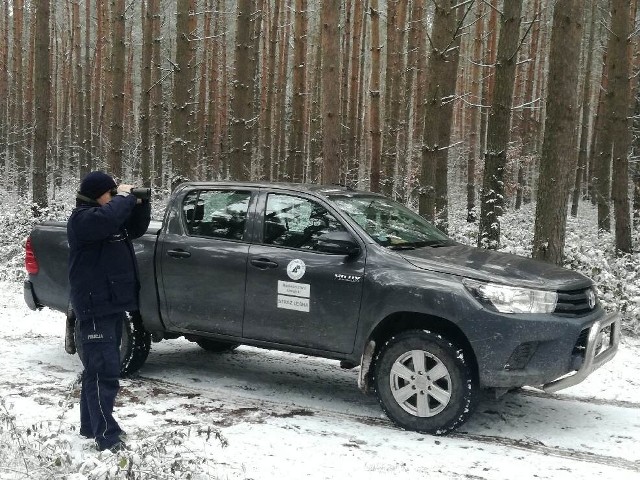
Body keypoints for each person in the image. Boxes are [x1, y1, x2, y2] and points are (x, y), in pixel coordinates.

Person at [67, 171, 151, 452]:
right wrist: (125, 197)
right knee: (105, 373)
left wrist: (140, 203)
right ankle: (107, 437)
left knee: (96, 370)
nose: (114, 198)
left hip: (111, 304)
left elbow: (135, 229)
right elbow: (109, 218)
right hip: (95, 307)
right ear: (96, 194)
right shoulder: (84, 220)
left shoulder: (106, 218)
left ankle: (90, 427)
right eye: (111, 193)